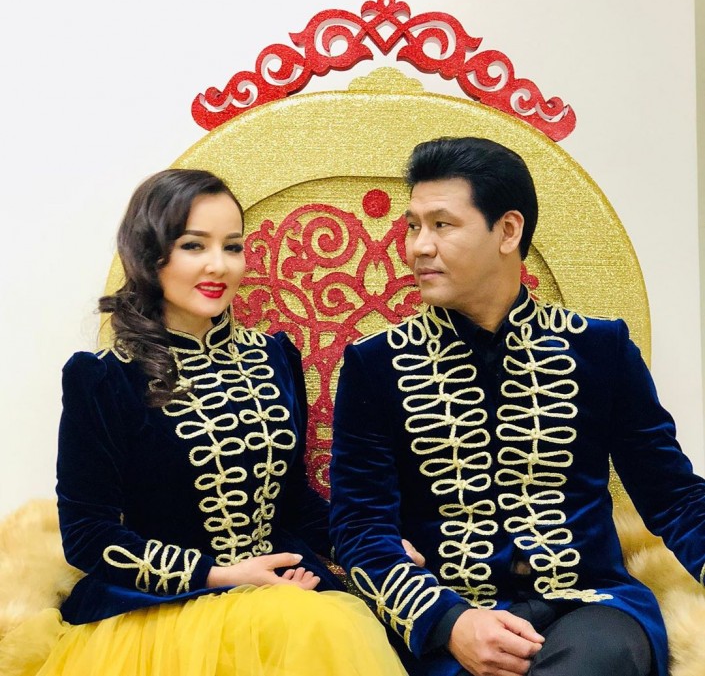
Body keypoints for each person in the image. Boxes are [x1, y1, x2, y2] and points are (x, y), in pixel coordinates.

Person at [1, 169, 408, 676]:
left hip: (284, 592)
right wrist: (221, 575)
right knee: (307, 626)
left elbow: (293, 500)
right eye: (194, 245)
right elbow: (88, 536)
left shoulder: (275, 356)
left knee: (324, 628)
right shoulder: (104, 378)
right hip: (159, 613)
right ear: (151, 254)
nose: (220, 265)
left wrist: (369, 547)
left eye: (232, 246)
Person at [329, 136, 705, 676]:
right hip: (447, 616)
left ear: (508, 230)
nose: (418, 247)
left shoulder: (600, 350)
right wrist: (448, 621)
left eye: (442, 224)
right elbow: (360, 527)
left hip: (588, 606)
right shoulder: (376, 364)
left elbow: (672, 495)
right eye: (412, 226)